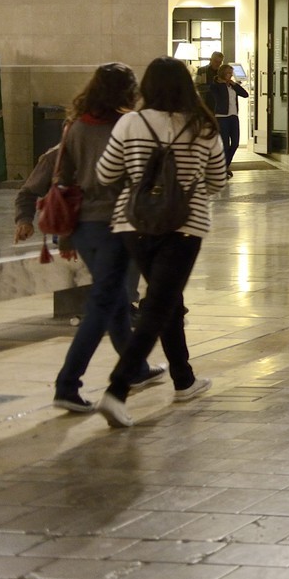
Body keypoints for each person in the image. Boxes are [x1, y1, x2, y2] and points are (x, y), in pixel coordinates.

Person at [13, 64, 167, 412]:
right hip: (116, 226)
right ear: (127, 92)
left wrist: (31, 219)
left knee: (111, 300)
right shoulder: (128, 127)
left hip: (84, 229)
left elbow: (58, 175)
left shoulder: (75, 127)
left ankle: (137, 368)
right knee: (101, 305)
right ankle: (68, 385)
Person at [93, 56, 227, 427]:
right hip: (184, 227)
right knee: (158, 305)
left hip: (133, 224)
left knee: (166, 299)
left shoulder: (130, 122)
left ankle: (183, 379)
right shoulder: (203, 126)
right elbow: (217, 180)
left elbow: (106, 173)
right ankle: (116, 389)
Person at [209, 64, 248, 177]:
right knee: (225, 144)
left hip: (233, 116)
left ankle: (225, 166)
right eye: (228, 73)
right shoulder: (215, 86)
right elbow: (217, 96)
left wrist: (234, 84)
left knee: (235, 143)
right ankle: (222, 168)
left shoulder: (232, 86)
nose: (230, 75)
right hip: (222, 117)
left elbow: (245, 94)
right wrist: (222, 83)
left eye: (231, 73)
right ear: (223, 73)